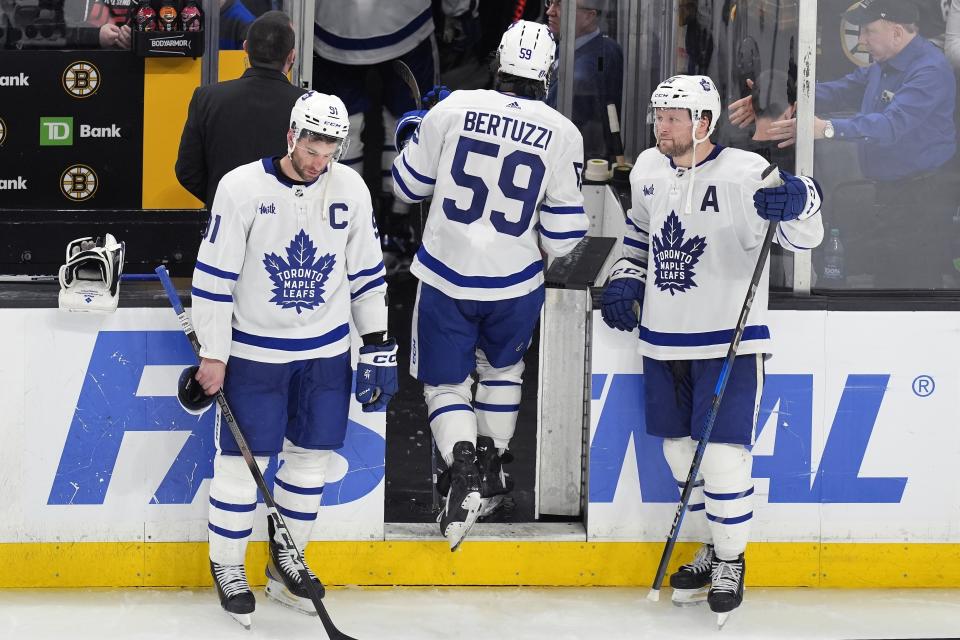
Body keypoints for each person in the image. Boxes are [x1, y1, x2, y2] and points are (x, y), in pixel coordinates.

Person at [600, 75, 823, 620]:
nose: (662, 126)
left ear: (704, 122)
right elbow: (639, 232)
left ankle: (731, 559)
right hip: (662, 339)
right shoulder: (650, 169)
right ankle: (710, 544)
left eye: (673, 117)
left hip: (730, 342)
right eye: (658, 116)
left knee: (721, 458)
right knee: (680, 453)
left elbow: (805, 234)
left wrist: (804, 201)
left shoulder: (749, 171)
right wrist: (627, 276)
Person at [185, 91, 397, 627]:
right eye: (311, 145)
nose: (318, 159)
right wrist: (213, 354)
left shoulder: (350, 188)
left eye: (329, 148)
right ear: (290, 136)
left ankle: (287, 560)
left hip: (326, 353)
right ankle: (228, 566)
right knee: (239, 465)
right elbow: (214, 281)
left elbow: (367, 272)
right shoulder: (240, 189)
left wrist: (376, 342)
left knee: (311, 462)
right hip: (255, 354)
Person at [391, 20, 590, 551]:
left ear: (498, 60)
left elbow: (407, 184)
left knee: (445, 385)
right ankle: (494, 466)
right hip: (516, 281)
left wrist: (417, 131)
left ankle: (462, 474)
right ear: (547, 72)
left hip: (446, 273)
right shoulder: (564, 131)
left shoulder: (452, 108)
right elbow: (566, 235)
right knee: (502, 369)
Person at [728, 0, 957, 287]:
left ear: (897, 33)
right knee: (885, 282)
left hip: (922, 200)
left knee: (911, 286)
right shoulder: (883, 65)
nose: (861, 41)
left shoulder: (929, 71)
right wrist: (777, 94)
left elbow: (891, 124)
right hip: (891, 195)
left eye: (869, 31)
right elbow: (840, 90)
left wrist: (825, 129)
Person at [312, 0, 479, 275]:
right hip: (406, 22)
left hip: (332, 24)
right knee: (406, 119)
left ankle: (345, 220)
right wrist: (459, 11)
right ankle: (396, 222)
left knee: (346, 123)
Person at [175, 11, 306, 209]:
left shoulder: (207, 97)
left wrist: (225, 200)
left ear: (245, 48)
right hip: (285, 222)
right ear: (292, 56)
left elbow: (187, 171)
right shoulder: (307, 104)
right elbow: (313, 170)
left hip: (223, 222)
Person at [544, 0, 624, 162]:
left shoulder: (582, 72)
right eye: (550, 3)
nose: (550, 12)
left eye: (560, 6)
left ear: (589, 16)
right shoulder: (576, 45)